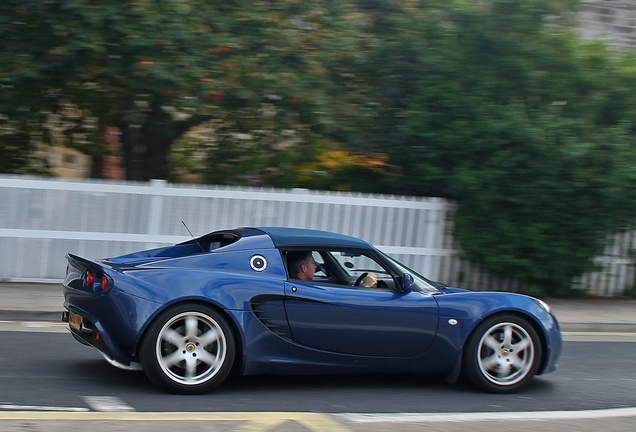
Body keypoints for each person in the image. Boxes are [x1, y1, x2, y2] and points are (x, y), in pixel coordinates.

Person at [287, 250, 377, 287]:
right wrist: (365, 286)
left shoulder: (295, 284)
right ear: (304, 268)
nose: (316, 266)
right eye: (313, 263)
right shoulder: (304, 288)